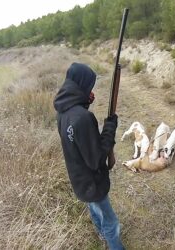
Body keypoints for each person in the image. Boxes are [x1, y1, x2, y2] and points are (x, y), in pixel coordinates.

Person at [53, 62, 124, 249]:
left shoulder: (63, 111)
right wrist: (110, 127)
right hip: (92, 183)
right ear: (82, 84)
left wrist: (83, 102)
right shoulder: (82, 118)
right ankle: (113, 242)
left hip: (80, 181)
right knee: (112, 222)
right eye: (89, 86)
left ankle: (101, 233)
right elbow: (97, 158)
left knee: (94, 208)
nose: (90, 89)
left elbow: (77, 141)